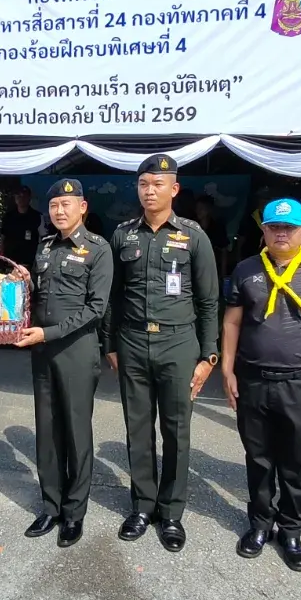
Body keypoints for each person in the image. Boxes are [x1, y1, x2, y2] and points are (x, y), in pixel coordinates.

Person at [221, 198, 301, 569]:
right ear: (264, 230)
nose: (281, 234)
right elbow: (231, 322)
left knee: (293, 462)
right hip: (254, 381)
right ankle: (260, 524)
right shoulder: (246, 270)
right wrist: (226, 370)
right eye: (274, 227)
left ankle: (291, 529)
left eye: (289, 228)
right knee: (258, 459)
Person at [106, 154, 220, 552]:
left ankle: (171, 513)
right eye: (143, 184)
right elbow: (113, 296)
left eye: (158, 184)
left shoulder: (193, 236)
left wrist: (208, 356)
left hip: (178, 344)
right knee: (137, 429)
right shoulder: (123, 235)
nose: (149, 191)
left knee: (176, 430)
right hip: (133, 343)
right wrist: (111, 345)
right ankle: (142, 506)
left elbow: (209, 301)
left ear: (174, 189)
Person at [14, 178, 113, 548]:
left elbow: (96, 309)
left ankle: (74, 513)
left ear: (82, 208)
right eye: (54, 205)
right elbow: (39, 296)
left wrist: (47, 333)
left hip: (76, 351)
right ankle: (51, 506)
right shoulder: (44, 247)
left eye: (66, 204)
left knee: (75, 432)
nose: (59, 211)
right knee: (47, 430)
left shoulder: (98, 249)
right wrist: (25, 282)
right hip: (43, 352)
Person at [0, 185, 42, 268]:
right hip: (10, 261)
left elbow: (43, 239)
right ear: (15, 198)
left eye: (24, 196)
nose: (21, 198)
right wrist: (2, 257)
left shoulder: (37, 216)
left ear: (29, 198)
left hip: (30, 261)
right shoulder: (8, 217)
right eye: (18, 196)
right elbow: (3, 237)